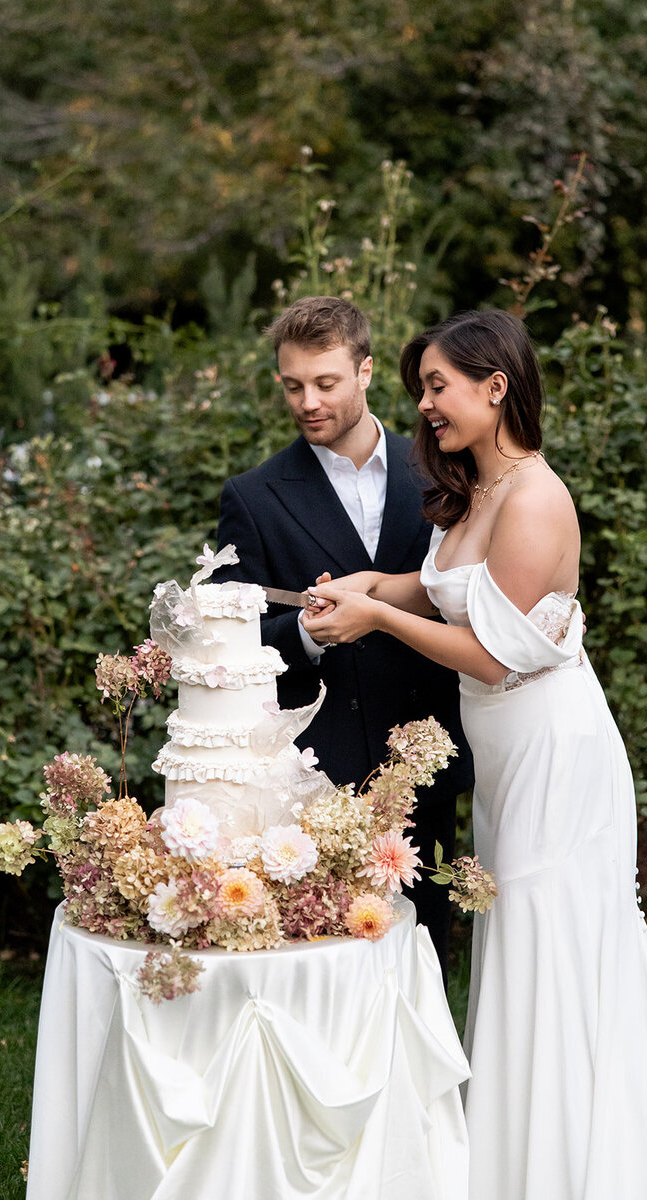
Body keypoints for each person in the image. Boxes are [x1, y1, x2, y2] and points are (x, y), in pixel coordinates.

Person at [303, 309, 647, 1200]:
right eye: (422, 389)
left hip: (553, 754)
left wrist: (377, 619)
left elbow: (493, 652)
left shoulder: (536, 497)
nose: (425, 406)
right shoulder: (483, 488)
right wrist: (375, 583)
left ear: (497, 387)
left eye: (439, 387)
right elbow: (452, 586)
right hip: (508, 757)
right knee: (517, 937)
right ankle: (519, 1155)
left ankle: (588, 1163)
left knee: (552, 938)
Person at [214, 295, 474, 980]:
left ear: (364, 372)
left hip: (427, 753)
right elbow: (228, 634)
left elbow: (480, 594)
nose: (307, 401)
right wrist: (302, 630)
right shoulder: (254, 494)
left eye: (325, 383)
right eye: (292, 385)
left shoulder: (447, 468)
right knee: (328, 973)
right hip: (312, 774)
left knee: (423, 962)